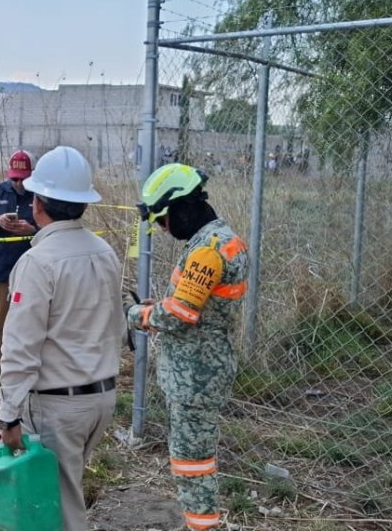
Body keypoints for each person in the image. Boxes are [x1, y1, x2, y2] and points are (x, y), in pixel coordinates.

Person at [0, 146, 124, 531]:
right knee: (66, 491)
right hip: (100, 399)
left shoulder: (38, 263)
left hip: (57, 406)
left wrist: (9, 413)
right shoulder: (104, 252)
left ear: (37, 203)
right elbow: (114, 325)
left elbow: (20, 347)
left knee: (61, 511)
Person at [127, 163, 248, 531]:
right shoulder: (218, 240)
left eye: (163, 219)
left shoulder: (207, 250)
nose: (163, 229)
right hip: (203, 367)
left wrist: (136, 314)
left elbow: (180, 314)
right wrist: (156, 306)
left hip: (194, 374)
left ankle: (202, 525)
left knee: (191, 462)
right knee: (195, 457)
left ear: (183, 207)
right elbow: (194, 304)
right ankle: (202, 522)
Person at [0, 149, 38, 376]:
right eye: (14, 179)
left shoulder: (40, 195)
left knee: (30, 319)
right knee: (0, 318)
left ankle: (24, 365)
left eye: (23, 179)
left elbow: (53, 228)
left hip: (31, 268)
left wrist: (32, 230)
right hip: (1, 265)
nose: (19, 183)